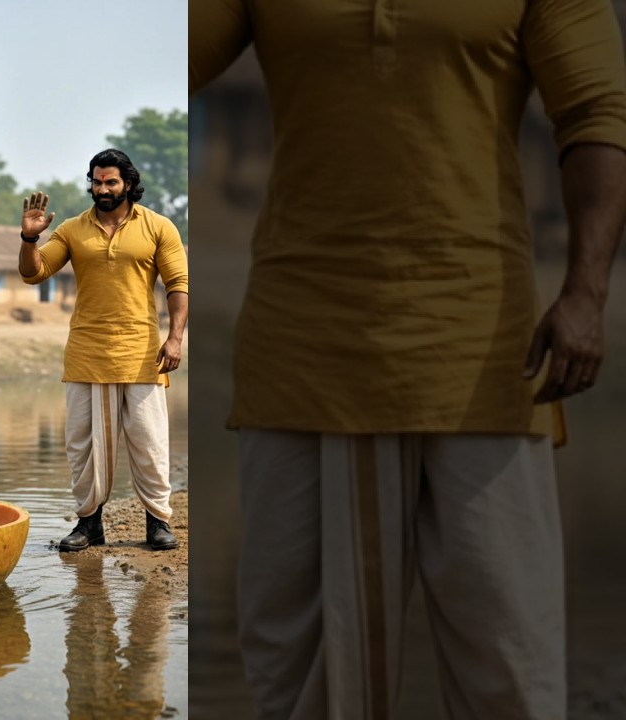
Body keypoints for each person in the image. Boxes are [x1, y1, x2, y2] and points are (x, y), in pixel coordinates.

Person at [191, 2, 626, 717]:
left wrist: (586, 292)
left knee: (510, 666)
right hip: (304, 352)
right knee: (304, 682)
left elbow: (598, 115)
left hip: (486, 354)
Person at [18, 148, 189, 552]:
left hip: (143, 351)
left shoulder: (158, 227)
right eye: (96, 182)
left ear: (128, 183)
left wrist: (176, 336)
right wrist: (29, 238)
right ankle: (89, 523)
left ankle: (157, 523)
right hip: (86, 352)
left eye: (110, 182)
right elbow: (34, 273)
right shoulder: (75, 229)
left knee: (149, 441)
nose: (102, 189)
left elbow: (178, 283)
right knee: (84, 443)